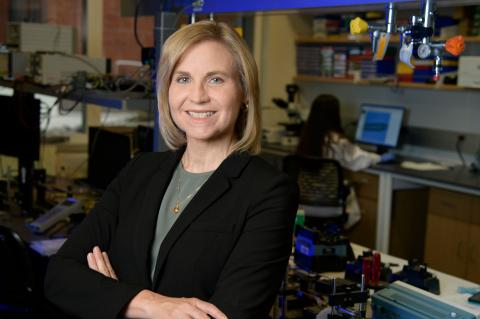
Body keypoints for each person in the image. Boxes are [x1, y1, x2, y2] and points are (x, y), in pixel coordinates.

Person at [44, 21, 298, 319]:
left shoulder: (268, 191)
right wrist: (150, 304)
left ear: (244, 92)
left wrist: (110, 297)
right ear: (167, 91)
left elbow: (230, 315)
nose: (198, 96)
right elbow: (59, 276)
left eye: (216, 79)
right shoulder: (140, 171)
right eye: (183, 78)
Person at [296, 94, 390, 171]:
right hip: (329, 192)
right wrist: (379, 158)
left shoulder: (307, 137)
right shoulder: (337, 140)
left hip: (306, 190)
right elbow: (356, 160)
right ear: (334, 115)